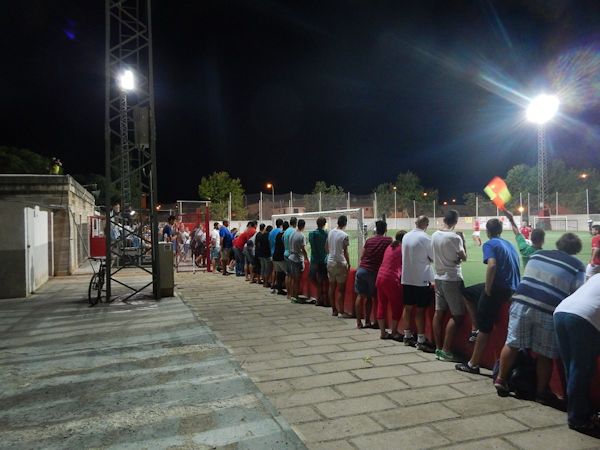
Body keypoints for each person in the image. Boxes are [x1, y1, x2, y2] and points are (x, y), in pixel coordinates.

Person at [495, 233, 585, 404]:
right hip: (548, 309)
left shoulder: (537, 254)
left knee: (512, 343)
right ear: (576, 250)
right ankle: (541, 392)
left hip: (520, 302)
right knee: (545, 354)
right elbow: (576, 291)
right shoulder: (577, 266)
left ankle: (500, 379)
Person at [456, 218, 520, 374]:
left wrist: (488, 289)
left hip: (498, 289)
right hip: (512, 288)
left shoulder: (490, 244)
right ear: (500, 230)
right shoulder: (509, 244)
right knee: (468, 292)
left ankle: (473, 363)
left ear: (487, 231)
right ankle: (475, 327)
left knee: (486, 328)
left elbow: (492, 265)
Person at [554, 274, 600, 435]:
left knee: (571, 367)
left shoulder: (597, 277)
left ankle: (575, 408)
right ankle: (578, 419)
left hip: (561, 312)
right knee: (581, 369)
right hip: (584, 319)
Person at [431, 210, 467, 362]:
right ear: (455, 221)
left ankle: (438, 348)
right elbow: (464, 257)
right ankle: (446, 350)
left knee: (439, 313)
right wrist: (463, 240)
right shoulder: (455, 237)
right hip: (452, 278)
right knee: (458, 315)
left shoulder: (434, 235)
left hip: (438, 277)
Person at [400, 216, 436, 353]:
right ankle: (421, 340)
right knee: (420, 310)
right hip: (421, 278)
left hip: (407, 277)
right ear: (425, 224)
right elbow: (432, 257)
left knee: (408, 308)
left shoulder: (406, 236)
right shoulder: (426, 238)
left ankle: (407, 335)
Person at [355, 220, 392, 329]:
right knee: (373, 297)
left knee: (360, 296)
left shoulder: (369, 241)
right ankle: (371, 321)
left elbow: (362, 256)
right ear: (385, 229)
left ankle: (359, 322)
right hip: (374, 272)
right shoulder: (388, 240)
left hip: (362, 270)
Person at [376, 230, 406, 341]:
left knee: (381, 305)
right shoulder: (402, 249)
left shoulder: (389, 247)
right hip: (391, 279)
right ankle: (394, 332)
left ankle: (383, 332)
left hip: (380, 277)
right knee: (396, 305)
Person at [326, 215, 351, 318]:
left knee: (332, 287)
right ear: (345, 223)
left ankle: (334, 310)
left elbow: (326, 247)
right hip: (340, 262)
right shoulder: (344, 235)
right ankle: (341, 311)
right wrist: (348, 263)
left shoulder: (330, 232)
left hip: (330, 261)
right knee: (340, 289)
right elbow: (345, 251)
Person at [308, 217, 329, 307]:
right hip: (323, 260)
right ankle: (323, 298)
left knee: (314, 278)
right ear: (324, 224)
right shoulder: (326, 234)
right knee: (323, 280)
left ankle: (320, 297)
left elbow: (312, 246)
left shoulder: (312, 234)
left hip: (314, 260)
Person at [288, 219, 309, 303]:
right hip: (297, 259)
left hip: (291, 257)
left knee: (293, 278)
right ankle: (295, 296)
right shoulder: (301, 235)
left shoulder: (293, 233)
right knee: (297, 279)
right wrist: (306, 258)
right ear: (303, 226)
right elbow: (303, 249)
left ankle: (293, 295)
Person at [272, 221, 289, 295]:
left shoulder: (278, 234)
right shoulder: (285, 235)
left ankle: (279, 289)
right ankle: (288, 289)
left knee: (278, 273)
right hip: (282, 256)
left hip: (275, 256)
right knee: (287, 273)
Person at [283, 218, 298, 299]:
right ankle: (291, 293)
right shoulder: (293, 231)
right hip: (291, 255)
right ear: (295, 223)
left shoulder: (286, 231)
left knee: (287, 275)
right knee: (292, 276)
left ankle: (288, 293)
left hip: (285, 253)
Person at [269, 219, 284, 293]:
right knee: (279, 271)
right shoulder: (280, 232)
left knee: (274, 269)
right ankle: (277, 284)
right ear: (281, 224)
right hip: (278, 252)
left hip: (272, 252)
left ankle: (273, 283)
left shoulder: (271, 232)